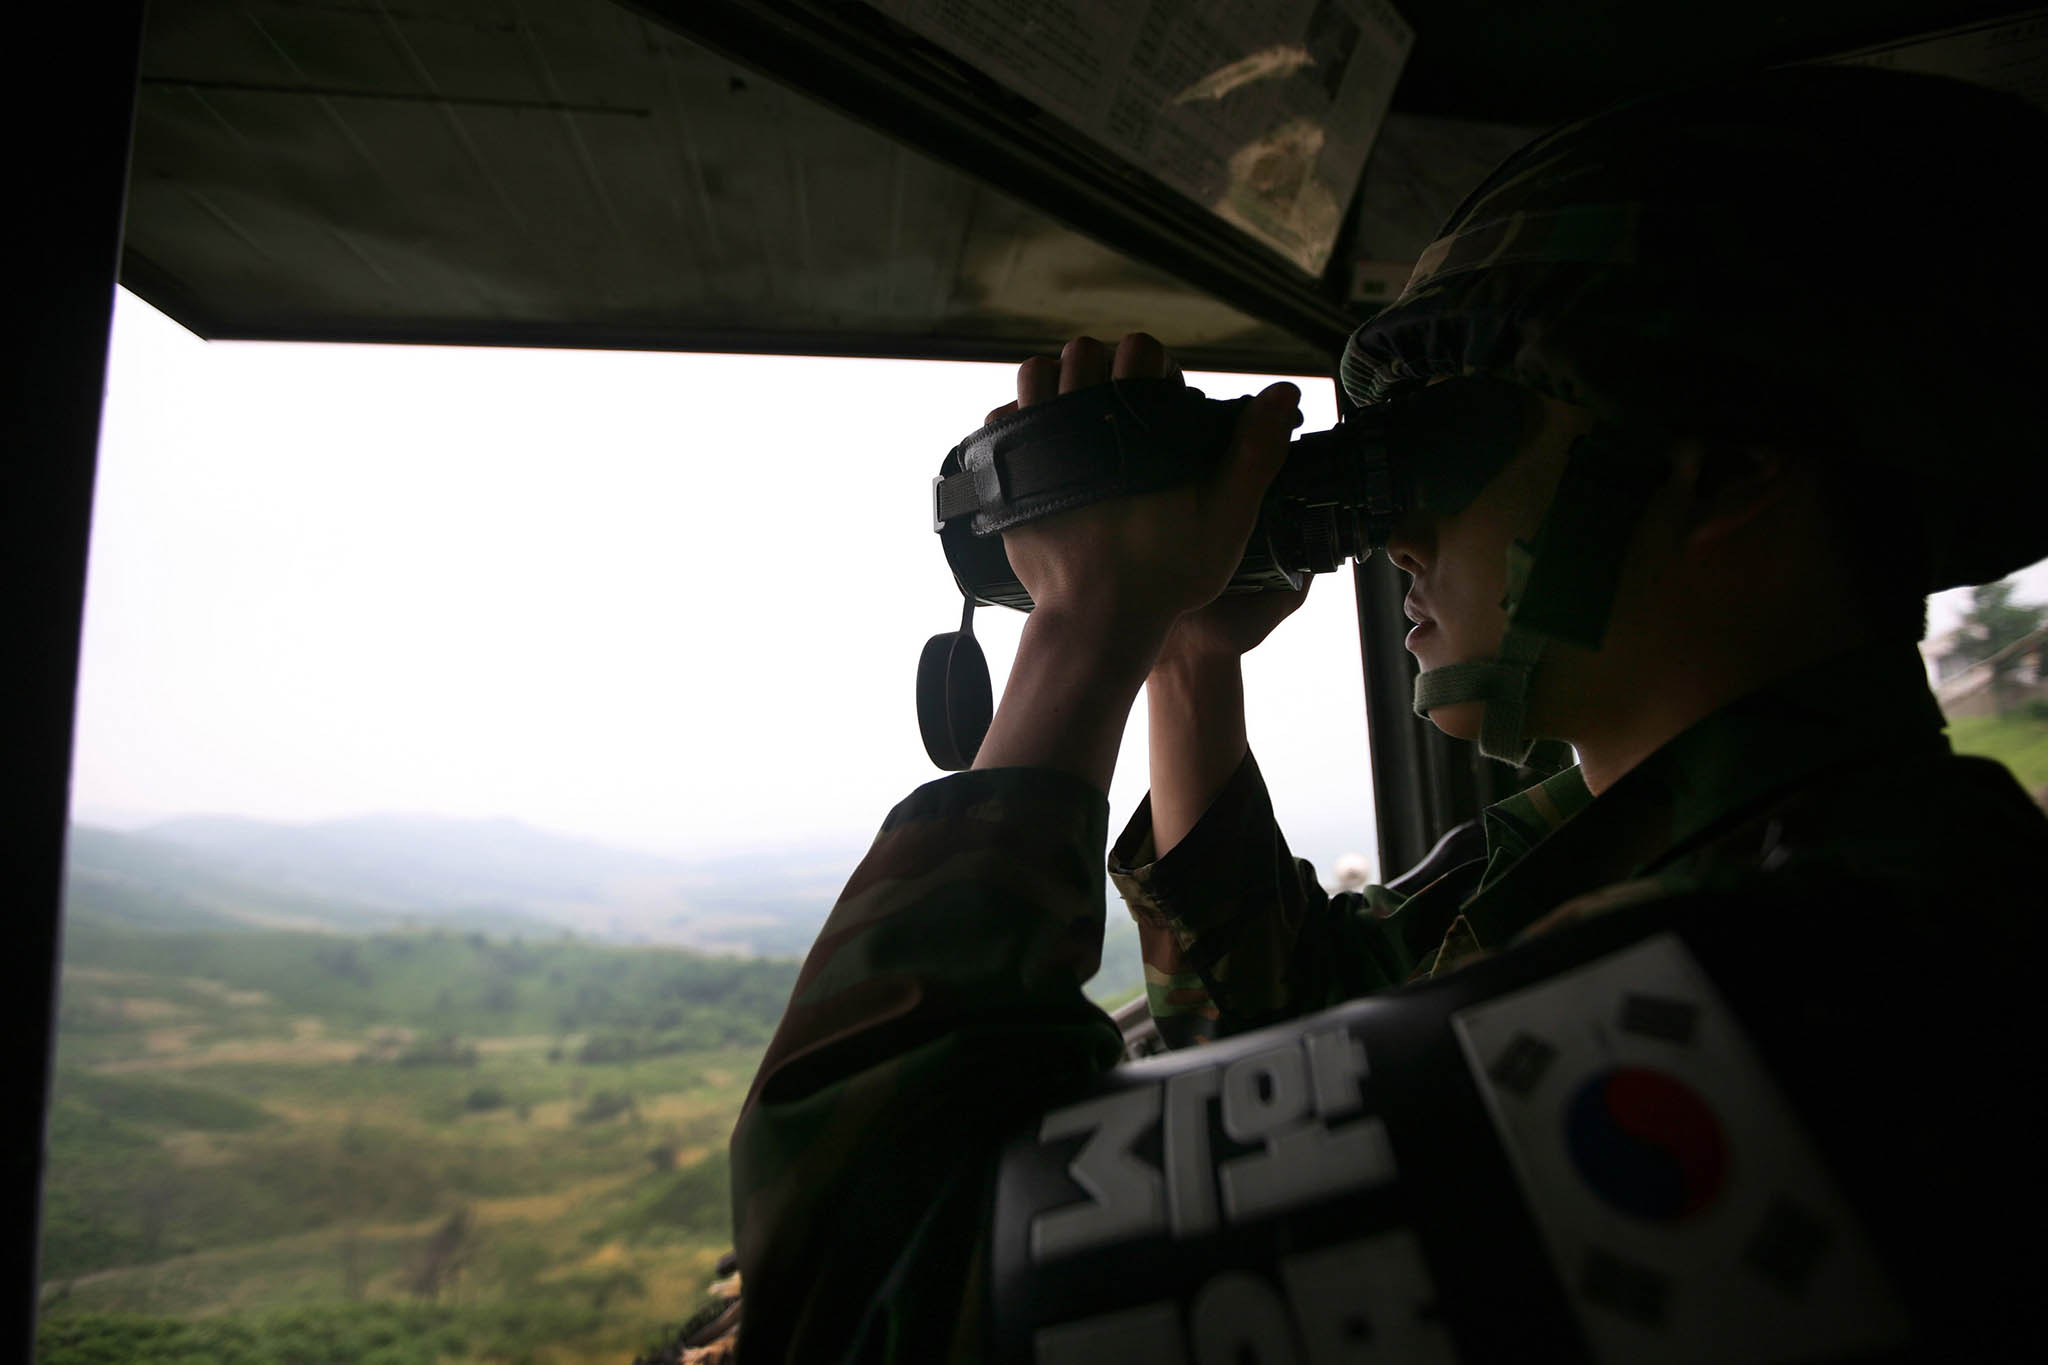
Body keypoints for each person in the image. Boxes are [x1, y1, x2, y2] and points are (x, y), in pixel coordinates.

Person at [730, 66, 2048, 1362]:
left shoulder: (1829, 991)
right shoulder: (1660, 843)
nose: (1398, 528)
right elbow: (1276, 1032)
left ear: (1729, 475)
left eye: (1454, 442)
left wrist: (1080, 637)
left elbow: (870, 1302)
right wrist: (1186, 649)